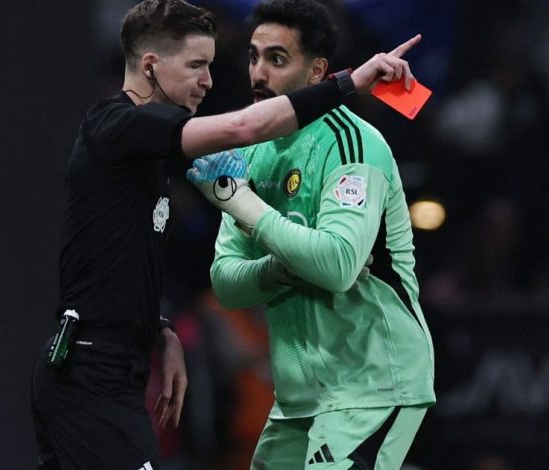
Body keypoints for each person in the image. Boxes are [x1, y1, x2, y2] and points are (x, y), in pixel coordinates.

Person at [30, 0, 421, 468]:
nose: (209, 81)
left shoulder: (147, 152)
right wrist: (350, 83)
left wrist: (160, 329)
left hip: (363, 385)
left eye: (211, 66)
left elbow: (121, 257)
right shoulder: (117, 124)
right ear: (151, 66)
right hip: (91, 370)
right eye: (196, 66)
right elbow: (242, 130)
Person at [187, 1, 435, 468]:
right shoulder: (253, 152)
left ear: (317, 71)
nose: (259, 73)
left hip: (372, 386)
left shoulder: (353, 144)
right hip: (298, 400)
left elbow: (337, 267)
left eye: (277, 59)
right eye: (254, 57)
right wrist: (281, 269)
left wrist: (239, 201)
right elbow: (226, 283)